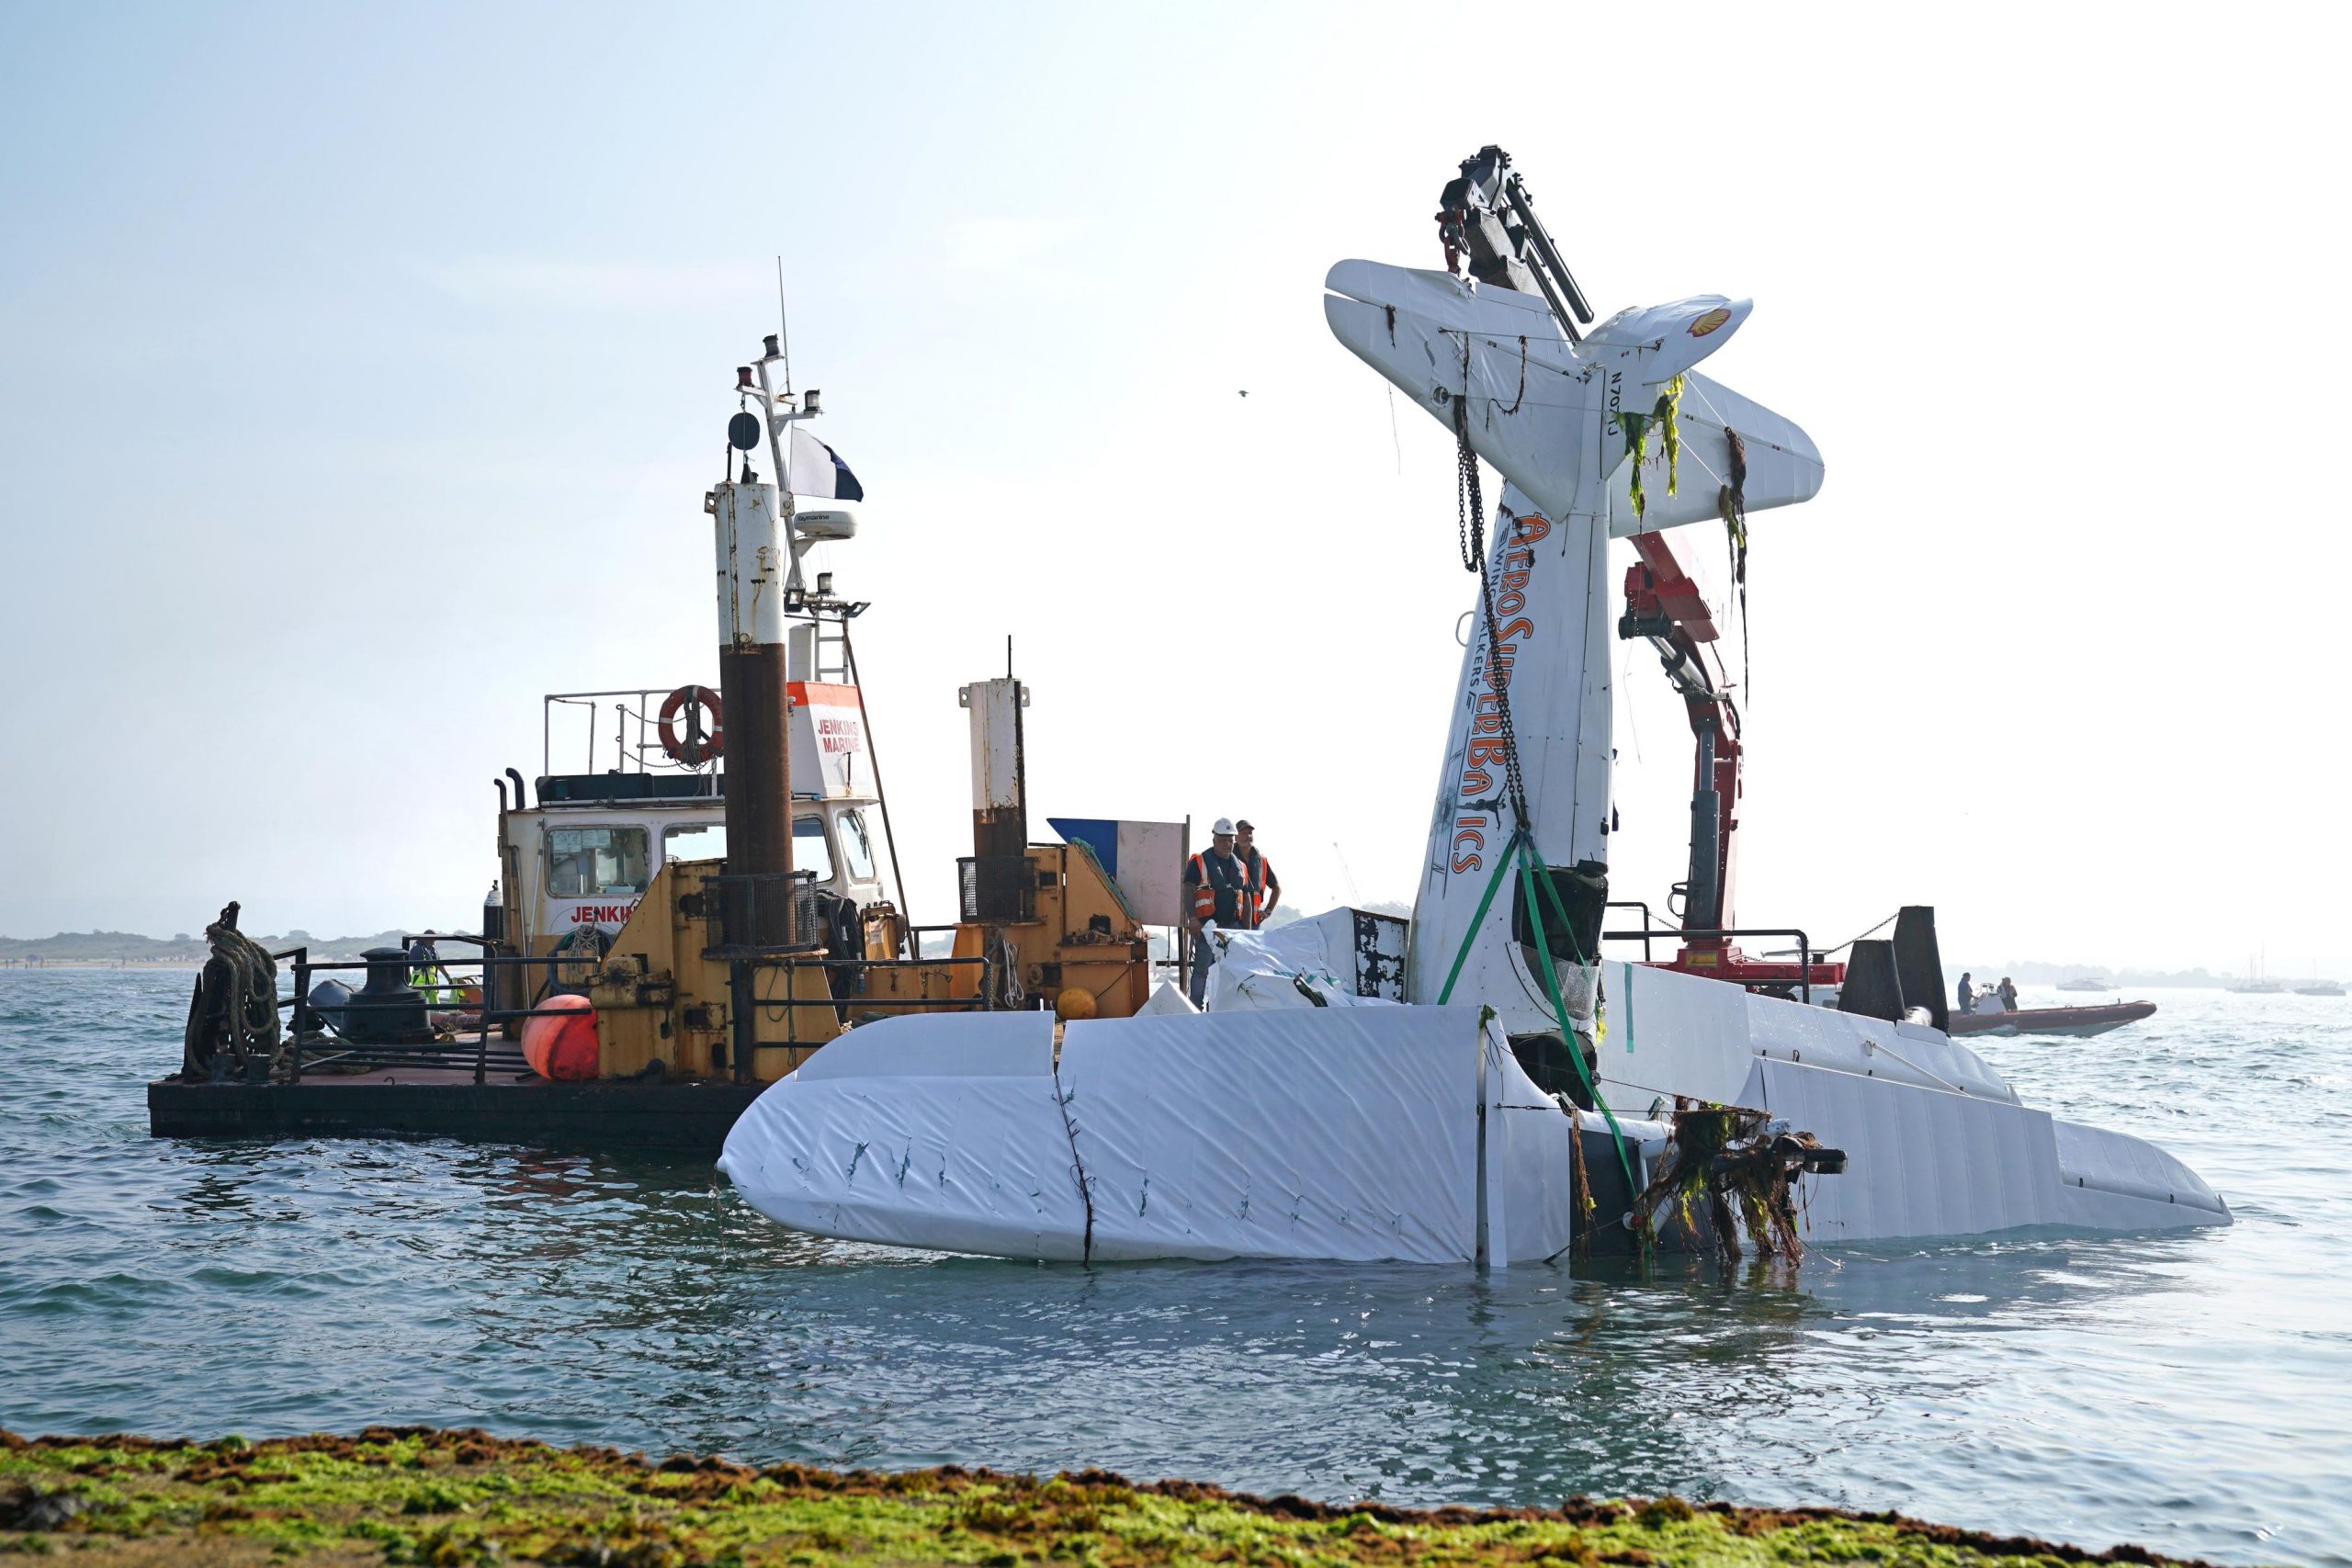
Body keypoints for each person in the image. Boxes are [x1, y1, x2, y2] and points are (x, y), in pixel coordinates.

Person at [1183, 819, 1251, 1005]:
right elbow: (1189, 889)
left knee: (1230, 972)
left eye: (1230, 840)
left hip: (1232, 929)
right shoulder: (1199, 861)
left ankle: (1221, 1008)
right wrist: (1192, 918)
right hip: (1206, 928)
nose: (1227, 844)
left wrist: (1248, 931)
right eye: (1223, 840)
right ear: (1214, 839)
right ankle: (1195, 1007)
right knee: (1201, 970)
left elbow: (1246, 898)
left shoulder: (1241, 867)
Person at [1233, 818, 1281, 929]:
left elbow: (1277, 888)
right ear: (1235, 837)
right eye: (1244, 833)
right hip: (1234, 921)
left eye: (1250, 833)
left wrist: (1268, 911)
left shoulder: (1261, 861)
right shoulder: (1229, 858)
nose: (1248, 836)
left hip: (1254, 922)